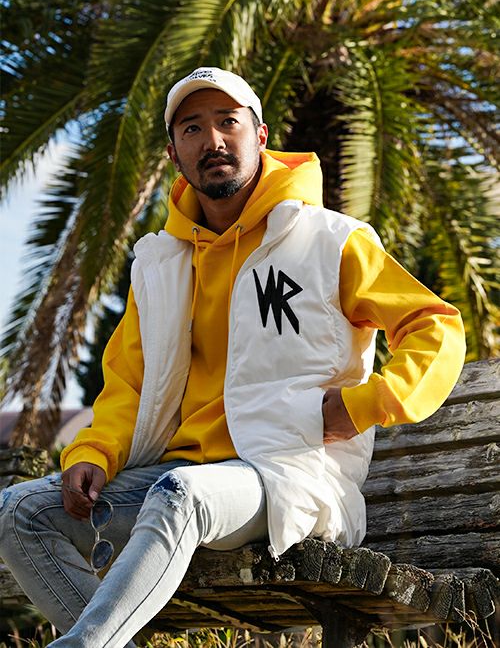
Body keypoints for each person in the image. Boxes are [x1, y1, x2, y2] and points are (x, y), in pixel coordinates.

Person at [0, 67, 466, 647]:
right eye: (192, 128)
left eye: (228, 122)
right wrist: (93, 450)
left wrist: (369, 403)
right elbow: (129, 383)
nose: (213, 140)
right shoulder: (161, 265)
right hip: (172, 476)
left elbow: (435, 326)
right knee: (20, 511)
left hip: (288, 474)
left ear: (260, 135)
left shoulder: (329, 240)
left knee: (181, 496)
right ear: (174, 153)